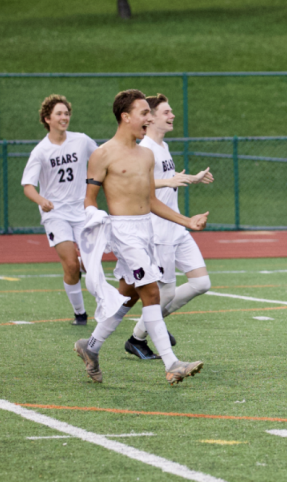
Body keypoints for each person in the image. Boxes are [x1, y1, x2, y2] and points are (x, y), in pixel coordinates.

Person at [74, 89, 209, 385]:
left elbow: (152, 202)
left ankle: (91, 346)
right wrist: (90, 234)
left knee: (128, 296)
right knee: (152, 293)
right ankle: (172, 364)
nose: (148, 118)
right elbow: (89, 200)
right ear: (126, 117)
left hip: (147, 230)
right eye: (144, 113)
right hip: (123, 233)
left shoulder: (147, 154)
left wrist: (188, 221)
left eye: (150, 113)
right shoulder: (102, 154)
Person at [124, 93, 214, 360]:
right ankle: (137, 337)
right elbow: (141, 187)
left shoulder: (162, 147)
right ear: (150, 118)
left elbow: (165, 178)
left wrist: (191, 178)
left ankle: (149, 328)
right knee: (165, 293)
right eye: (166, 112)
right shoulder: (146, 149)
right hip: (158, 231)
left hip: (176, 227)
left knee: (201, 283)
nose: (172, 115)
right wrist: (169, 182)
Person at [21, 95, 97, 325]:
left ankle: (105, 306)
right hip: (55, 214)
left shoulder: (82, 141)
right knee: (72, 265)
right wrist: (41, 200)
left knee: (90, 264)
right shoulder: (41, 151)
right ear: (47, 119)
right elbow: (28, 186)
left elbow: (102, 159)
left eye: (66, 113)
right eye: (59, 114)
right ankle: (80, 313)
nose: (64, 117)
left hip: (82, 210)